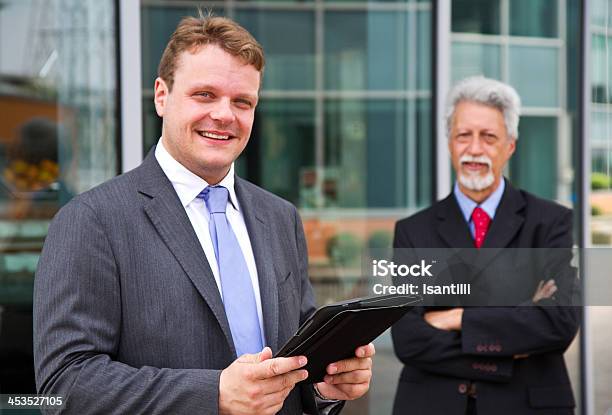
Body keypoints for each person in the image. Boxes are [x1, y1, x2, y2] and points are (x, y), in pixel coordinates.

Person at [33, 15, 374, 415]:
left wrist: (327, 385)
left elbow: (296, 364)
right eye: (205, 95)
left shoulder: (279, 217)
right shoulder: (92, 220)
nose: (225, 115)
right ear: (162, 96)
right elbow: (63, 385)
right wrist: (213, 393)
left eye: (242, 101)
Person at [391, 76, 580, 415]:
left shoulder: (550, 222)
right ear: (449, 142)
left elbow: (560, 323)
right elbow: (408, 338)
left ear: (510, 145)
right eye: (464, 135)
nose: (474, 149)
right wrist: (514, 330)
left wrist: (455, 317)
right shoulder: (412, 232)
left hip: (527, 405)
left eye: (488, 136)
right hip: (433, 405)